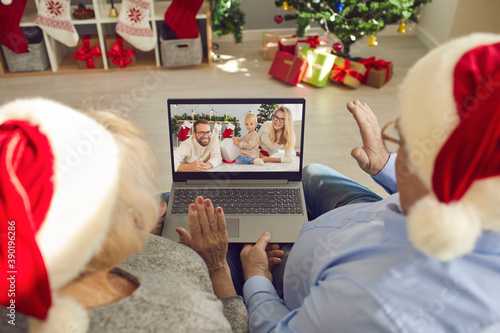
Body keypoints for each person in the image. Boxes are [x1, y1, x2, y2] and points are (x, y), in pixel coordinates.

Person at [239, 33, 500, 332]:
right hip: (363, 218)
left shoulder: (373, 302)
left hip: (295, 280)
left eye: (404, 139)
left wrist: (256, 276)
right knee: (312, 173)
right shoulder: (477, 202)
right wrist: (385, 165)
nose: (398, 145)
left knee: (222, 240)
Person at [0, 98, 247, 333]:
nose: (144, 209)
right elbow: (230, 328)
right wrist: (217, 268)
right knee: (228, 240)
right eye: (133, 203)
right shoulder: (189, 314)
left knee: (166, 200)